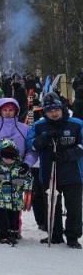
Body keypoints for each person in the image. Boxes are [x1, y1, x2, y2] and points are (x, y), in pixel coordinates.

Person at [27, 94, 83, 248]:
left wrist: (66, 155)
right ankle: (55, 233)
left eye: (56, 109)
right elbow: (30, 144)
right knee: (52, 205)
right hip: (49, 172)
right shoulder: (39, 126)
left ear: (62, 108)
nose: (54, 113)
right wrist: (44, 138)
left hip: (73, 174)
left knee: (74, 207)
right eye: (50, 110)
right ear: (45, 111)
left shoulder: (76, 124)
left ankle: (73, 237)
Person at [0, 98, 41, 228]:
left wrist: (26, 164)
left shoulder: (25, 128)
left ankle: (15, 228)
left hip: (18, 170)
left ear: (16, 111)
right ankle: (2, 229)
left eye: (10, 110)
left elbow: (32, 150)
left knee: (16, 200)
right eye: (4, 110)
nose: (7, 112)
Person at [0, 140, 34, 244]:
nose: (8, 161)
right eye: (6, 158)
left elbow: (29, 180)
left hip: (15, 200)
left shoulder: (20, 166)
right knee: (0, 218)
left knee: (14, 217)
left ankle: (14, 233)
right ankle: (2, 235)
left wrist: (22, 183)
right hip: (0, 199)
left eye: (11, 158)